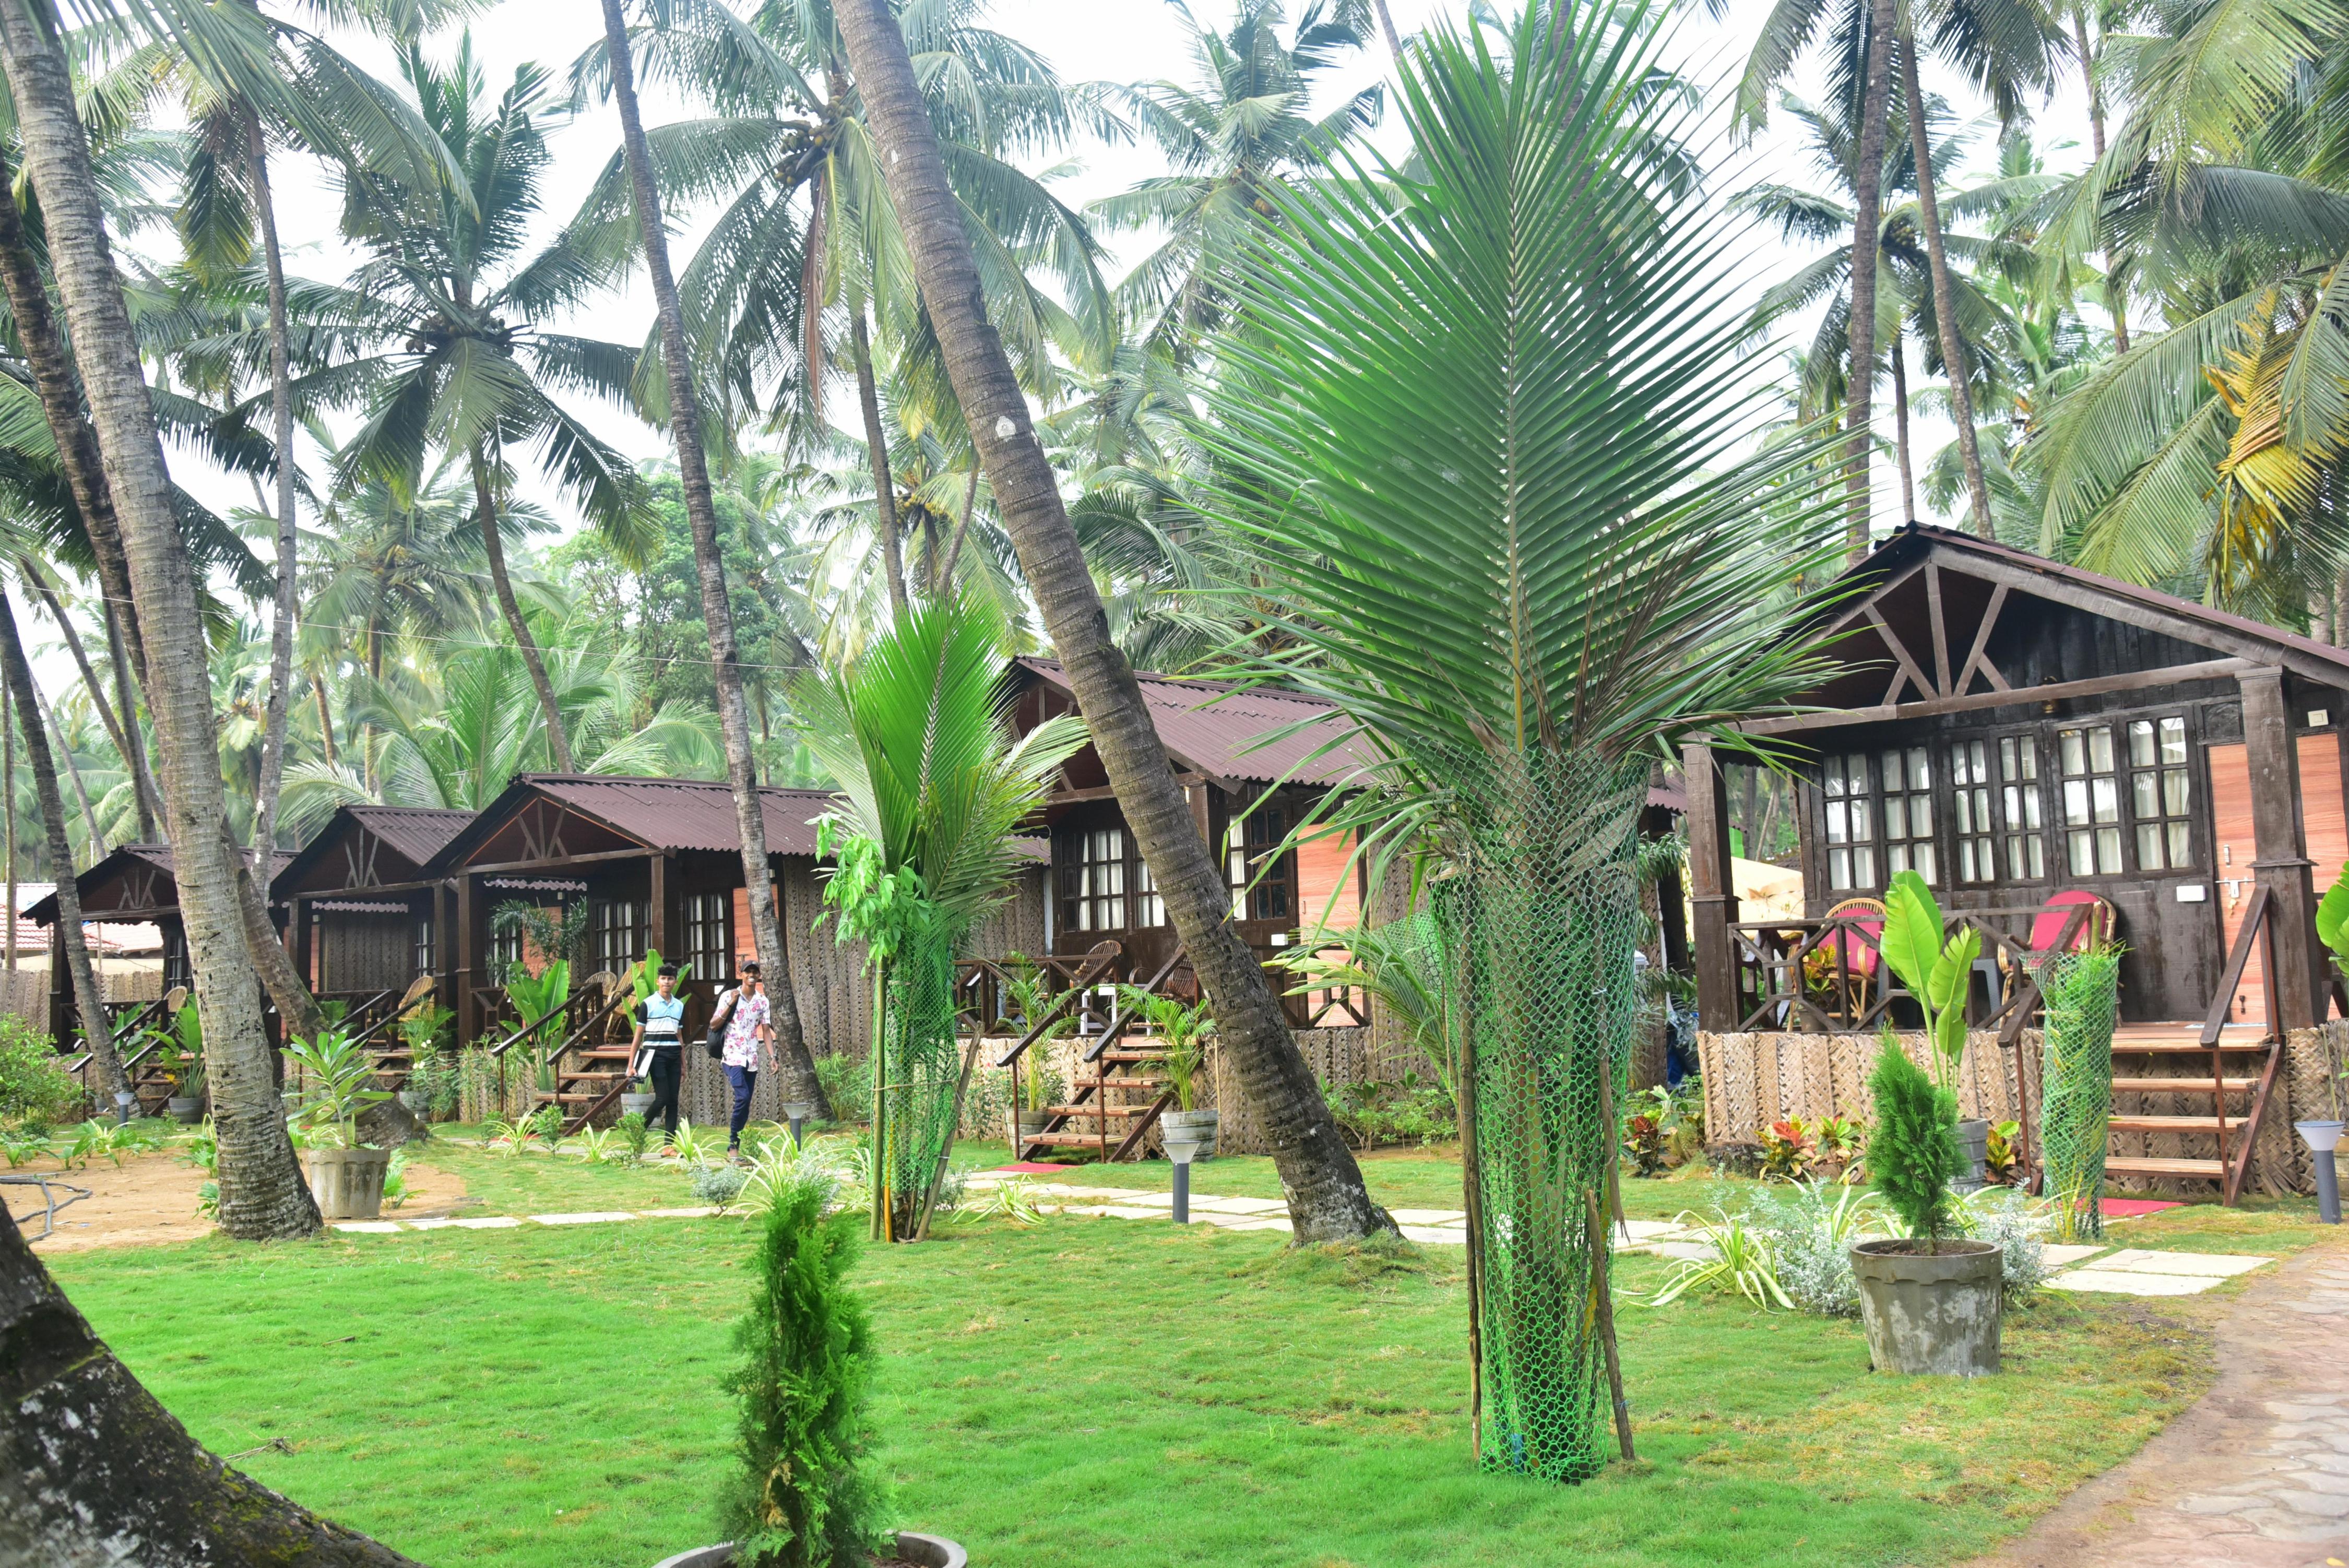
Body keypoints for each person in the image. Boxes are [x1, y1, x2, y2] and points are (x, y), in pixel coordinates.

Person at [717, 958, 775, 1156]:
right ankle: (733, 1146)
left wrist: (773, 1056)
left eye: (755, 972)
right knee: (742, 1097)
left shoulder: (762, 1002)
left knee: (746, 1101)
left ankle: (737, 1144)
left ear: (759, 976)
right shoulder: (729, 996)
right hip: (732, 1056)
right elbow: (714, 1023)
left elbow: (766, 1031)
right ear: (741, 974)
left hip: (752, 1058)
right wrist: (731, 1004)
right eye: (747, 971)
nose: (751, 974)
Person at [630, 964, 687, 1143]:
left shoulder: (679, 1006)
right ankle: (638, 1133)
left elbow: (680, 1037)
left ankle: (668, 1146)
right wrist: (631, 1065)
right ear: (658, 981)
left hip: (674, 1056)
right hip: (655, 1056)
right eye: (663, 979)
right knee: (662, 1098)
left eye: (670, 979)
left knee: (673, 1101)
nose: (667, 982)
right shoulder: (648, 1004)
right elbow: (638, 1036)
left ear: (675, 982)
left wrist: (684, 1064)